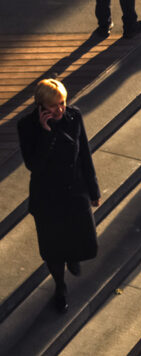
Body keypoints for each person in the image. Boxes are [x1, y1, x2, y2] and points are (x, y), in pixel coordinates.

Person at [16, 79, 101, 313]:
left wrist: (93, 190)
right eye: (53, 106)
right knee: (53, 248)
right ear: (41, 106)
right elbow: (34, 164)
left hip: (75, 190)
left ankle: (72, 256)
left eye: (62, 103)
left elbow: (84, 153)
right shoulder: (27, 126)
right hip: (48, 197)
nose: (60, 110)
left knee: (85, 241)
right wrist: (46, 134)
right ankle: (60, 286)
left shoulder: (74, 117)